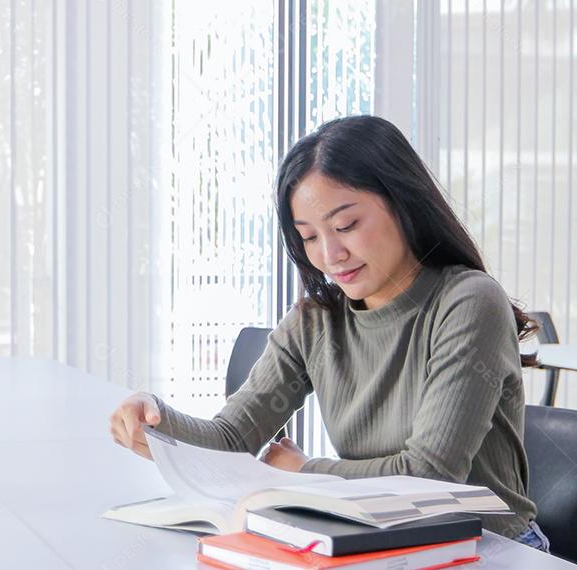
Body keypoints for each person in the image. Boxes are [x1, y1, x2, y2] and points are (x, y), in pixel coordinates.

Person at [109, 115, 550, 552]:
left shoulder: (469, 301)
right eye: (308, 237)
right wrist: (156, 423)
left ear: (403, 203)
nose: (330, 254)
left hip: (493, 548)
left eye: (345, 226)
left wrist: (303, 472)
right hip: (381, 542)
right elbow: (232, 439)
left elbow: (429, 475)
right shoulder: (315, 320)